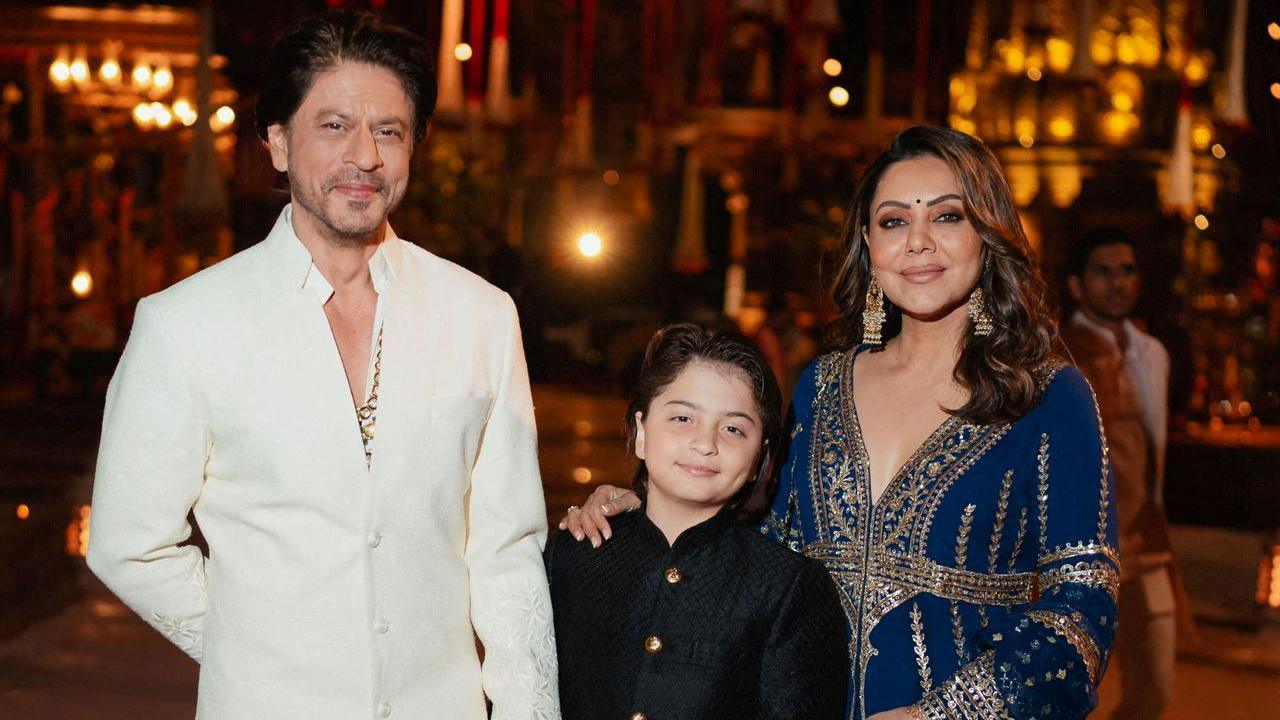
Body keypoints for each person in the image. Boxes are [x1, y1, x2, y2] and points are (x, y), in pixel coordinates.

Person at [87, 12, 558, 719]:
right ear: (277, 143)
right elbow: (128, 544)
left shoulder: (481, 315)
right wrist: (252, 643)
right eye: (334, 126)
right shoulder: (187, 323)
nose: (364, 156)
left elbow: (508, 551)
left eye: (390, 131)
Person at [562, 126, 1118, 720]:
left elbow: (1083, 606)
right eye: (895, 221)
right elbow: (764, 553)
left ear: (987, 232)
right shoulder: (823, 384)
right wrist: (650, 517)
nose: (919, 243)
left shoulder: (1046, 395)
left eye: (948, 217)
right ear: (868, 243)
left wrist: (944, 714)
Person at [547, 324, 849, 719]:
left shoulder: (787, 588)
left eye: (733, 429)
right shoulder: (572, 553)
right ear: (641, 432)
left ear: (761, 457)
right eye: (682, 418)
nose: (705, 443)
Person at [1062, 228, 1186, 720]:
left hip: (1146, 543)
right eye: (1103, 271)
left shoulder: (1151, 353)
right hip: (1078, 550)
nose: (1118, 283)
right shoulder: (1057, 354)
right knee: (1065, 691)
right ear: (1077, 285)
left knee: (1155, 687)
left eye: (1127, 270)